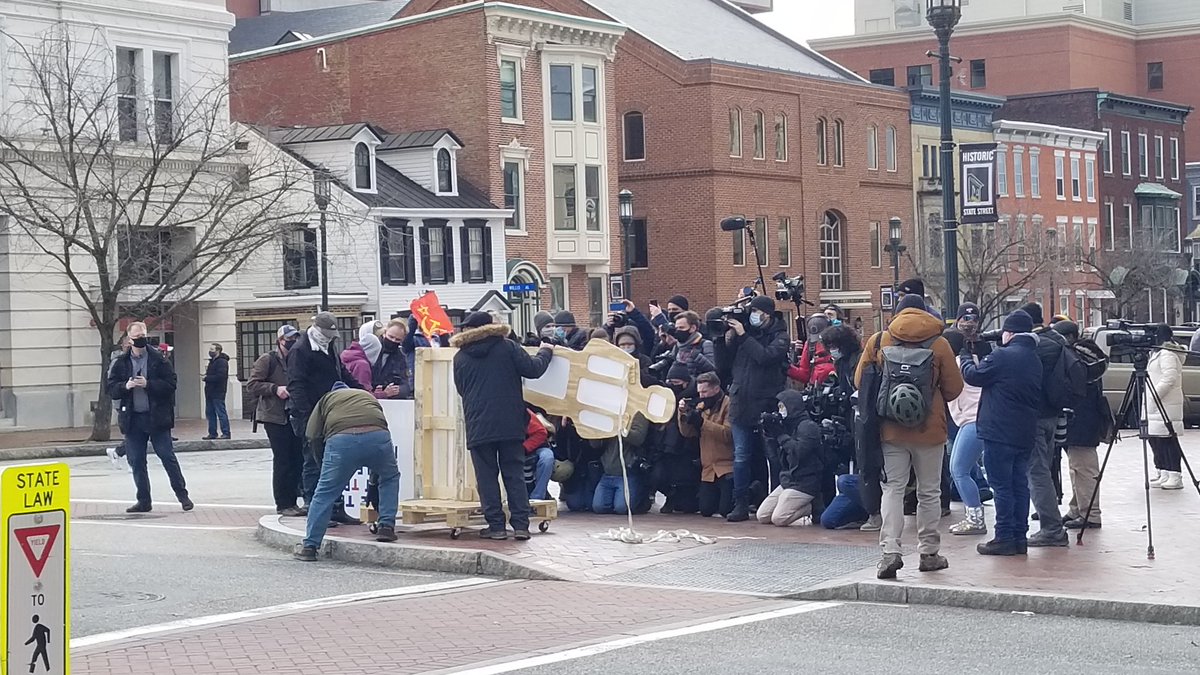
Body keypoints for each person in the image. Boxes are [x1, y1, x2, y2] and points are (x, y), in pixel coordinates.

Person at [855, 293, 963, 578]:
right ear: (925, 312)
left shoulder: (879, 340)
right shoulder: (939, 343)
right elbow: (954, 388)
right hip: (930, 430)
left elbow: (860, 382)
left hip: (889, 429)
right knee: (929, 491)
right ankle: (929, 552)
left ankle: (890, 550)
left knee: (893, 488)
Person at [452, 312, 554, 539]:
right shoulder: (507, 347)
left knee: (486, 477)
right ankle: (520, 526)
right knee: (513, 474)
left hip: (478, 424)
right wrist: (546, 351)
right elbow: (533, 369)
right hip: (510, 423)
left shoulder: (460, 357)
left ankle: (496, 527)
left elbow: (461, 390)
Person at [960, 310, 1042, 556]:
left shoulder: (1003, 356)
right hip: (1024, 431)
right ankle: (1019, 536)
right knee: (1019, 484)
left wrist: (965, 356)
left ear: (1010, 333)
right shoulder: (1033, 358)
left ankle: (1004, 536)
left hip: (999, 431)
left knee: (1002, 486)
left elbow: (974, 376)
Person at [293, 383, 401, 561]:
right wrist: (375, 476)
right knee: (389, 477)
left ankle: (310, 546)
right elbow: (380, 423)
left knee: (325, 493)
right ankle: (386, 526)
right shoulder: (365, 396)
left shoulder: (326, 399)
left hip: (342, 441)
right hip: (378, 437)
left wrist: (322, 465)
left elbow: (312, 435)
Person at [106, 321, 192, 513]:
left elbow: (171, 385)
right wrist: (125, 386)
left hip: (157, 418)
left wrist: (149, 384)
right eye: (136, 337)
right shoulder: (121, 362)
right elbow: (111, 388)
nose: (140, 340)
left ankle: (183, 496)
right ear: (129, 339)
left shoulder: (159, 359)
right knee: (136, 460)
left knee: (167, 456)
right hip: (133, 419)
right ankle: (143, 500)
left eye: (143, 336)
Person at [287, 312, 363, 523]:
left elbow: (340, 373)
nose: (330, 338)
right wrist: (306, 415)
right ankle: (315, 508)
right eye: (328, 333)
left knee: (335, 460)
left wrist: (361, 390)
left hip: (331, 410)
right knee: (312, 461)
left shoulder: (327, 346)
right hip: (311, 413)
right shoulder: (300, 350)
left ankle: (336, 507)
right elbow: (296, 384)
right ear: (318, 329)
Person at [723, 296, 790, 521]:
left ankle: (775, 501)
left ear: (767, 314)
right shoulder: (744, 336)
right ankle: (740, 502)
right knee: (741, 455)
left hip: (766, 403)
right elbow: (723, 364)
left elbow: (764, 357)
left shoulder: (780, 336)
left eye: (756, 311)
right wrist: (723, 336)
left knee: (773, 456)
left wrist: (743, 335)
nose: (752, 316)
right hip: (741, 402)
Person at [1020, 302, 1072, 547]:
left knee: (1037, 472)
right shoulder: (1059, 339)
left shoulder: (1035, 347)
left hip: (1035, 415)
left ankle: (1051, 528)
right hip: (1054, 413)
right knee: (1045, 469)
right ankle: (1052, 522)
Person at [247, 325, 306, 516]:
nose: (292, 341)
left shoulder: (299, 358)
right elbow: (253, 384)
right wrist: (275, 389)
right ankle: (283, 503)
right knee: (283, 460)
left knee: (297, 458)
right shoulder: (268, 359)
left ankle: (293, 500)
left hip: (295, 414)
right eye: (288, 338)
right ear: (280, 340)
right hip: (275, 416)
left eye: (295, 338)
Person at [1060, 337, 1110, 528]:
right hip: (1089, 419)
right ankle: (1078, 508)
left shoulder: (1074, 358)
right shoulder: (1090, 358)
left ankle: (1090, 514)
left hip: (1079, 419)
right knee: (1077, 468)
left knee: (1083, 469)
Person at [943, 328, 986, 536]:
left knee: (959, 470)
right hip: (977, 419)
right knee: (960, 469)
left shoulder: (956, 365)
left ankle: (975, 519)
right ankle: (974, 517)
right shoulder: (973, 361)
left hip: (972, 420)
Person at [758, 390, 823, 526]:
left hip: (805, 481)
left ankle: (813, 507)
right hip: (789, 479)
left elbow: (799, 452)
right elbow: (777, 457)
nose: (780, 410)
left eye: (783, 406)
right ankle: (791, 503)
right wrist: (770, 434)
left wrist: (781, 435)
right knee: (763, 516)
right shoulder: (786, 425)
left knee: (779, 518)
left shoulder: (807, 426)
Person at [678, 371, 735, 518]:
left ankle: (750, 492)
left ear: (716, 389)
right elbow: (687, 433)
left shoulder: (729, 404)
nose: (701, 395)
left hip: (726, 466)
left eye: (705, 391)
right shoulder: (702, 406)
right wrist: (683, 415)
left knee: (725, 510)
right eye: (699, 392)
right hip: (708, 468)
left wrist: (703, 423)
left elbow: (727, 434)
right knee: (705, 510)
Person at [653, 362, 701, 514]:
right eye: (669, 382)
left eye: (675, 383)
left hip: (688, 447)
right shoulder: (664, 398)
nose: (672, 386)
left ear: (685, 382)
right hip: (665, 446)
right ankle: (671, 495)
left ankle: (683, 496)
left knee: (689, 506)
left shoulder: (696, 398)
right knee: (656, 476)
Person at [1146, 324, 1186, 490]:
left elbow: (1169, 377)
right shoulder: (1155, 352)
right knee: (1155, 438)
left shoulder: (1167, 353)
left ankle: (1175, 474)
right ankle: (1163, 470)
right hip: (1155, 404)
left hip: (1165, 403)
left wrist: (1155, 395)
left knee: (1168, 439)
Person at [592, 413, 650, 514]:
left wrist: (619, 427)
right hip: (608, 473)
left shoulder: (638, 413)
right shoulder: (607, 410)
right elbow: (595, 445)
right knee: (598, 507)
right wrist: (594, 429)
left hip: (628, 473)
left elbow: (638, 438)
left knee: (621, 508)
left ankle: (642, 498)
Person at [788, 314, 834, 387]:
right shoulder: (810, 345)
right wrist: (787, 367)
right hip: (816, 389)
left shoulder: (840, 341)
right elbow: (804, 375)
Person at [373, 319, 413, 400]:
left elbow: (407, 384)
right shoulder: (373, 349)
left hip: (390, 400)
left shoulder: (401, 357)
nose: (393, 341)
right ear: (384, 333)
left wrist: (398, 390)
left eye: (398, 339)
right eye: (391, 337)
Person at [670, 311, 716, 377]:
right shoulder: (677, 347)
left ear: (693, 328)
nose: (678, 331)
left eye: (681, 328)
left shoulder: (705, 344)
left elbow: (712, 369)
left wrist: (696, 355)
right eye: (677, 328)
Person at [523, 409, 555, 501]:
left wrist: (524, 448)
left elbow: (541, 432)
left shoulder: (524, 412)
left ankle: (537, 497)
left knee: (547, 458)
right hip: (515, 450)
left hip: (538, 447)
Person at [202, 343, 231, 440]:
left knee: (220, 412)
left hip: (218, 391)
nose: (210, 351)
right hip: (209, 391)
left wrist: (207, 378)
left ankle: (226, 432)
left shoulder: (222, 362)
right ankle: (212, 433)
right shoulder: (212, 362)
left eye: (212, 349)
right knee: (210, 413)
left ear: (218, 350)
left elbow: (221, 376)